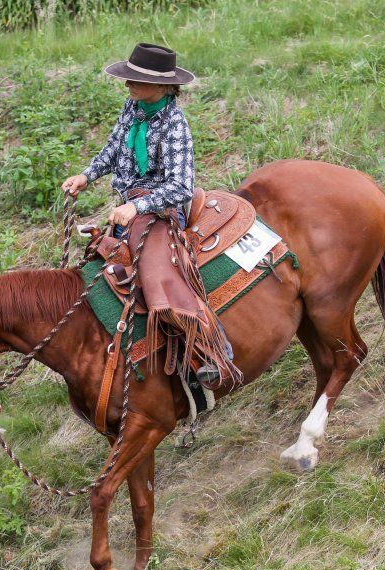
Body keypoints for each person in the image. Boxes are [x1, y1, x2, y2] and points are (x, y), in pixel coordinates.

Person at [61, 43, 237, 389]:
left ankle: (212, 352)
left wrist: (137, 206)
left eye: (136, 80)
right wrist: (86, 175)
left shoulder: (175, 125)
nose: (128, 85)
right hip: (130, 203)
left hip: (162, 206)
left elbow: (182, 187)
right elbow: (114, 147)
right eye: (128, 79)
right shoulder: (134, 107)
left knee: (159, 273)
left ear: (163, 86)